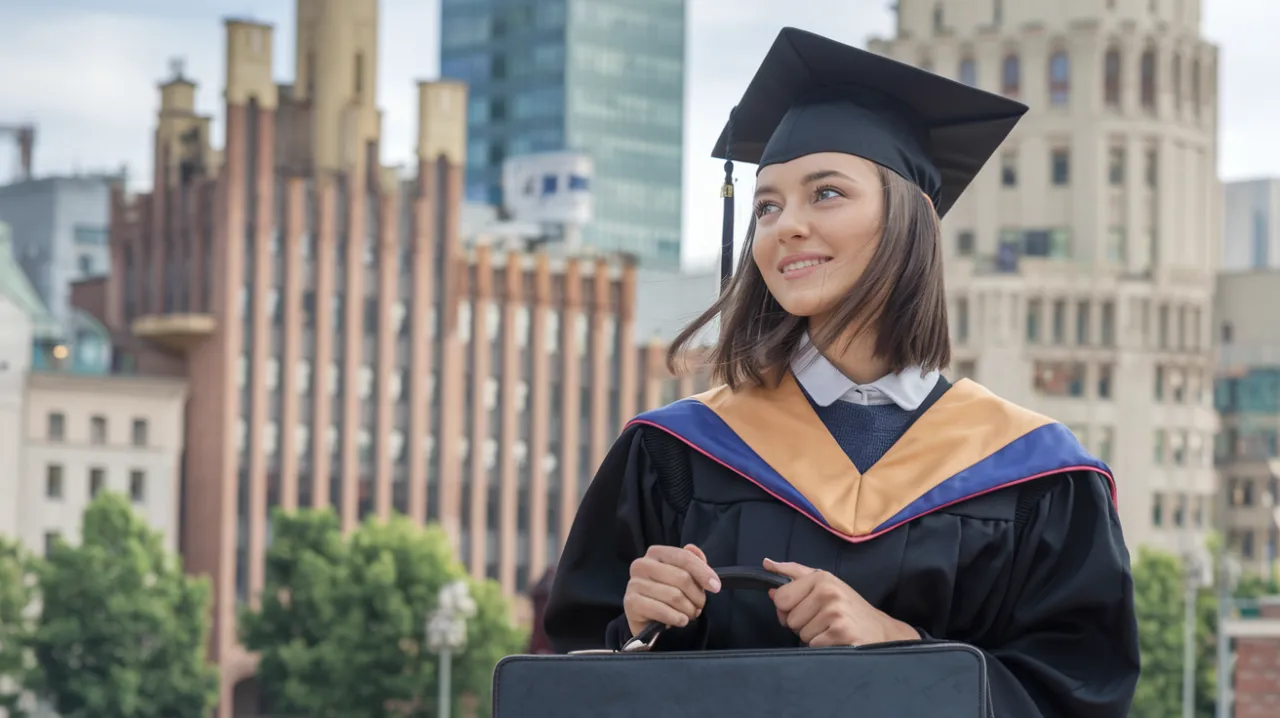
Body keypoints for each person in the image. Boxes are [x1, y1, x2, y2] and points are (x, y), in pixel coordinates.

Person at [542, 27, 1140, 718]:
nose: (785, 225)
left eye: (825, 193)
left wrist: (898, 645)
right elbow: (571, 680)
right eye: (767, 206)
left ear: (914, 218)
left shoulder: (1037, 476)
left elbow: (1075, 696)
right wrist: (634, 630)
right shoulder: (676, 453)